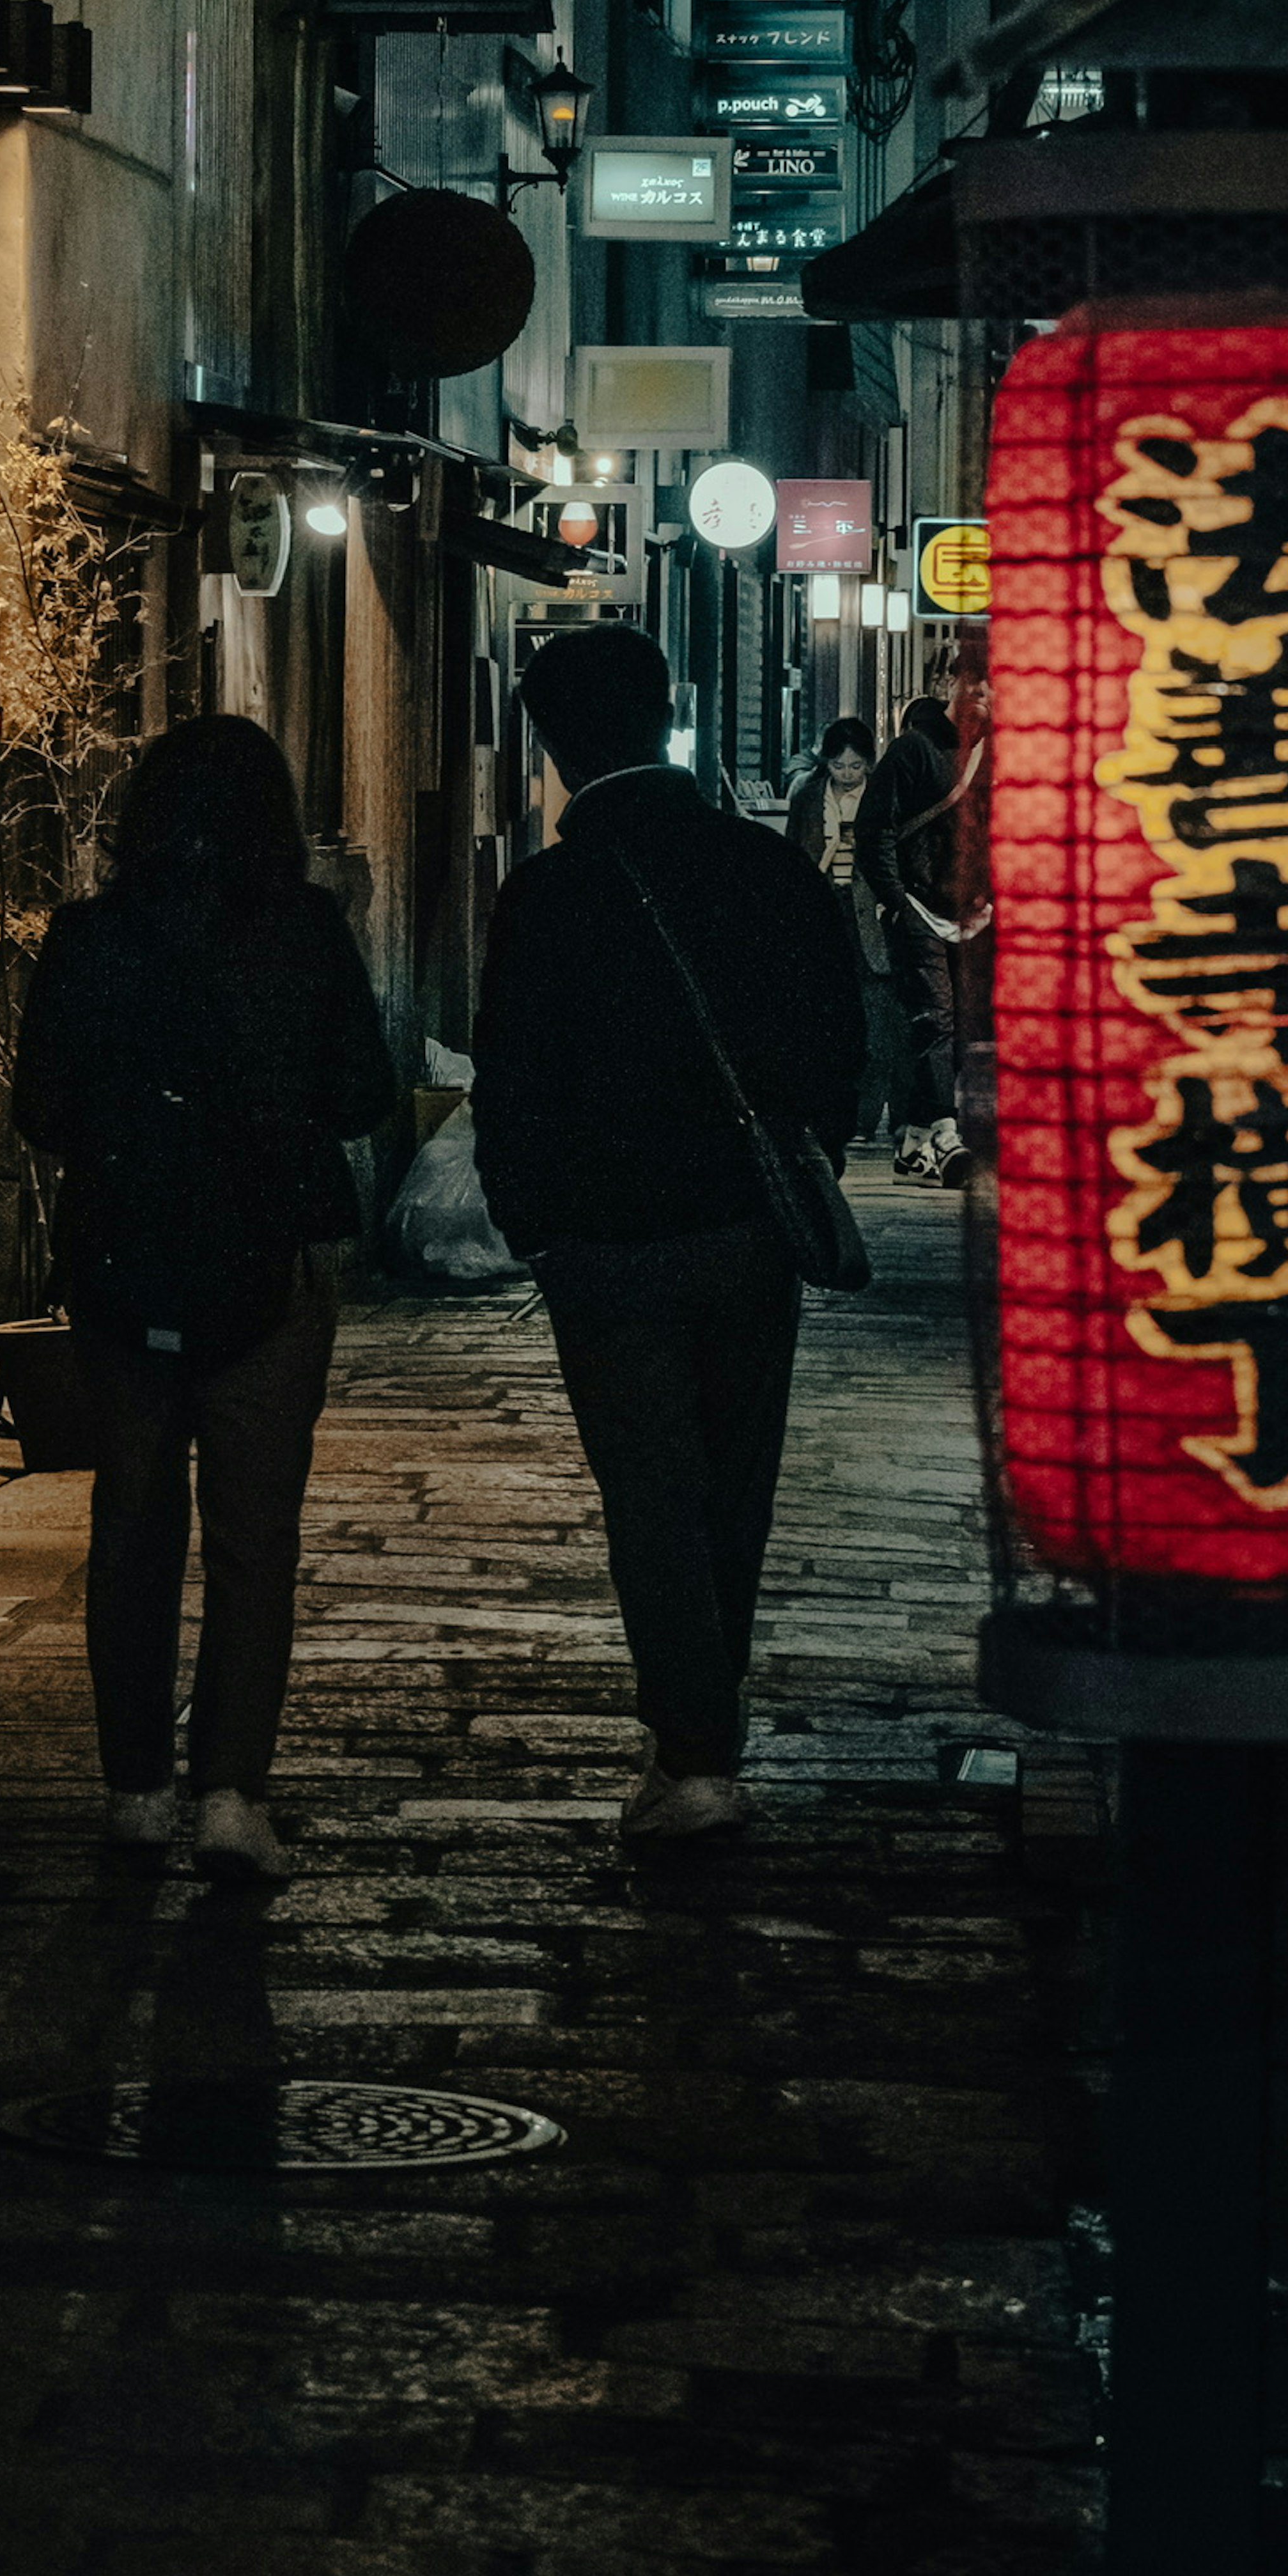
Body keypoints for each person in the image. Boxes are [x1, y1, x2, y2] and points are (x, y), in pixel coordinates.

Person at [470, 627, 864, 1846]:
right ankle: (702, 1725)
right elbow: (837, 1046)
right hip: (746, 1228)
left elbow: (510, 1080)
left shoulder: (548, 892)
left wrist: (531, 1217)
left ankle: (694, 1750)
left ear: (551, 745)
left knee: (649, 1489)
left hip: (605, 1242)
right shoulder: (765, 872)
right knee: (732, 1482)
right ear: (672, 717)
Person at [12, 715, 394, 1883]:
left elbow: (41, 1110)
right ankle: (232, 1791)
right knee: (253, 1540)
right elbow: (366, 1096)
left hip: (124, 1267)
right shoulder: (306, 933)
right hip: (263, 1266)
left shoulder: (87, 938)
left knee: (129, 1525)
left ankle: (135, 1789)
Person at [855, 666, 986, 1187]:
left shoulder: (1001, 755)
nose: (985, 696)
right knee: (935, 1018)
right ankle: (947, 1133)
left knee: (952, 1027)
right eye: (975, 683)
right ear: (950, 685)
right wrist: (896, 900)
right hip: (918, 907)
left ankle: (912, 1148)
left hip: (972, 914)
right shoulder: (913, 750)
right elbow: (874, 827)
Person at [787, 715, 906, 1140]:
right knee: (824, 1018)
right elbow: (793, 857)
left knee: (876, 1021)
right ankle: (829, 1113)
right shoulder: (808, 798)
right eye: (840, 767)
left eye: (856, 767)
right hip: (823, 912)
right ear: (826, 763)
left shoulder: (883, 796)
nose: (849, 775)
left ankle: (864, 1119)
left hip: (870, 916)